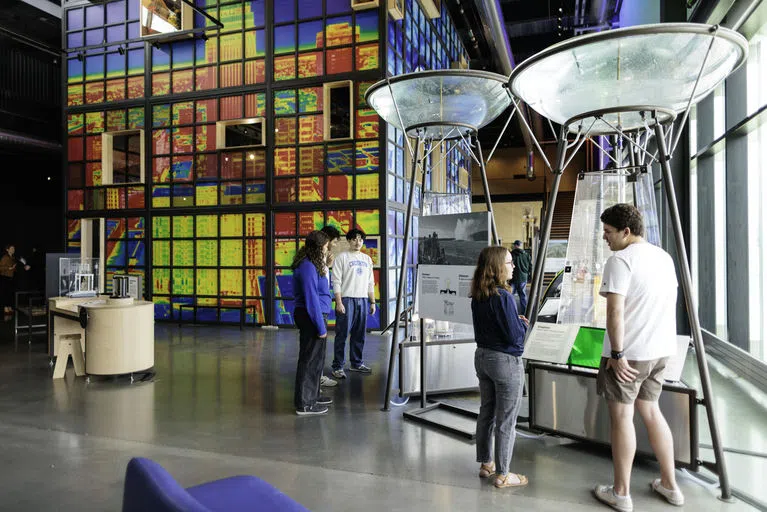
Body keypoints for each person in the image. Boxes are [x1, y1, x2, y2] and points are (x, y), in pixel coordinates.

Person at [593, 204, 684, 511]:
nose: (605, 238)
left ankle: (620, 493)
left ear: (626, 232)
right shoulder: (664, 257)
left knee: (621, 417)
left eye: (608, 232)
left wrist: (617, 354)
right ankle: (670, 485)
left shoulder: (620, 260)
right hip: (660, 351)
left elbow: (614, 311)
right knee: (651, 410)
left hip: (630, 354)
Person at [470, 246, 529, 489]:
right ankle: (504, 474)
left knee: (487, 412)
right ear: (496, 267)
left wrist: (515, 322)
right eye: (508, 262)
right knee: (506, 419)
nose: (513, 266)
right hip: (505, 362)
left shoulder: (478, 294)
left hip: (482, 358)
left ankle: (486, 464)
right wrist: (523, 325)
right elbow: (514, 338)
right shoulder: (503, 297)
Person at [292, 231, 334, 416]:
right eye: (325, 246)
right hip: (311, 318)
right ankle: (305, 403)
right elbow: (312, 299)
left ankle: (313, 395)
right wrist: (320, 326)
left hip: (315, 316)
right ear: (318, 248)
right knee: (309, 361)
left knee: (316, 361)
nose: (327, 248)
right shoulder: (308, 267)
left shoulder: (313, 264)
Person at [331, 228, 375, 378]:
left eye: (360, 239)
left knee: (359, 334)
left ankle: (356, 363)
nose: (358, 242)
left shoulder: (367, 259)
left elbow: (370, 283)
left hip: (362, 300)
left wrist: (372, 302)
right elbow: (336, 281)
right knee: (342, 334)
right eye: (355, 239)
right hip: (346, 300)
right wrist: (338, 302)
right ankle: (337, 366)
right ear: (349, 240)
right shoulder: (342, 258)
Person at [319, 225, 342, 388]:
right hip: (319, 309)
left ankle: (317, 376)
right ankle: (317, 378)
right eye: (334, 241)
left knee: (319, 347)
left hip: (323, 307)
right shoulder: (314, 259)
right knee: (316, 347)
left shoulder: (323, 258)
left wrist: (327, 264)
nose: (335, 245)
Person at [0, 244, 24, 314]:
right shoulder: (4, 257)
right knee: (5, 293)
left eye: (14, 249)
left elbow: (15, 267)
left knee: (10, 293)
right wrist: (9, 268)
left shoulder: (13, 258)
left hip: (12, 277)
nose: (13, 250)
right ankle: (5, 307)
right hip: (5, 277)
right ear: (7, 250)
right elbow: (1, 268)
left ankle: (9, 307)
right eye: (11, 248)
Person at [510, 240, 531, 313]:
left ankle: (512, 312)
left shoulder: (511, 254)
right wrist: (529, 276)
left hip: (513, 278)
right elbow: (530, 266)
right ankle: (524, 312)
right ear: (521, 245)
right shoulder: (527, 254)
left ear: (515, 245)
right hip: (523, 278)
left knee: (511, 296)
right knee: (523, 296)